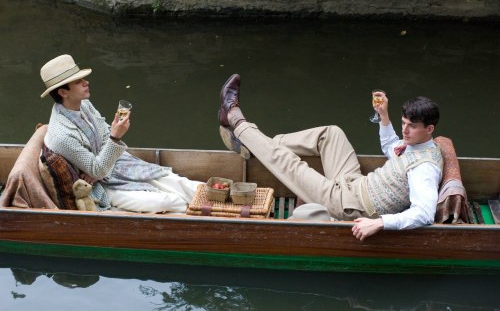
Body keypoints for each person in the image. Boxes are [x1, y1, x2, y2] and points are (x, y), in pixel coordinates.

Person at [217, 74, 443, 241]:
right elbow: (392, 148)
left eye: (411, 126)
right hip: (355, 182)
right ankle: (255, 143)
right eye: (403, 123)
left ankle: (235, 119)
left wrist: (380, 223)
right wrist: (384, 117)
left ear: (430, 129)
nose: (405, 131)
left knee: (289, 164)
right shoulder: (416, 143)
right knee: (331, 134)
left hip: (349, 206)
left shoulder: (425, 169)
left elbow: (424, 213)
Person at [40, 54, 201, 213]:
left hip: (114, 165)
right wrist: (115, 137)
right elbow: (98, 168)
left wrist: (98, 167)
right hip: (100, 185)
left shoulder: (84, 104)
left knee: (177, 182)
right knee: (164, 201)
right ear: (63, 92)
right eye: (78, 82)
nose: (86, 82)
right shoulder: (62, 136)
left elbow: (103, 141)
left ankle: (216, 200)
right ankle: (198, 212)